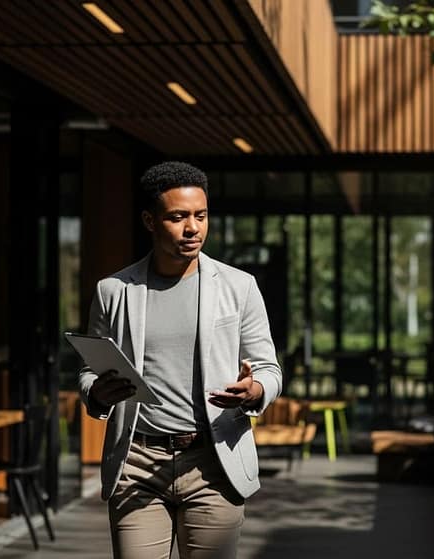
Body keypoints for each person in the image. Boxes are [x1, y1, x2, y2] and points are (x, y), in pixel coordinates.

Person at [78, 161, 282, 559]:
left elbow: (269, 369)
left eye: (200, 216)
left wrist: (254, 389)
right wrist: (98, 393)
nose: (193, 228)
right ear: (150, 221)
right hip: (137, 461)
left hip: (214, 461)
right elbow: (89, 371)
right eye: (178, 217)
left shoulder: (240, 287)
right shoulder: (113, 291)